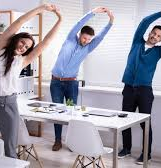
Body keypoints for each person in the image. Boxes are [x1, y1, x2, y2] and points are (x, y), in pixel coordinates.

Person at [0, 4, 62, 158]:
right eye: (22, 43)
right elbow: (17, 24)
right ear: (16, 40)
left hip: (8, 105)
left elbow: (46, 42)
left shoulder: (22, 61)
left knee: (10, 149)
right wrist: (40, 8)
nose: (24, 47)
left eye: (27, 47)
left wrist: (60, 19)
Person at [118, 5, 161, 165]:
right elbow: (144, 22)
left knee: (145, 124)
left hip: (145, 91)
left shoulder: (159, 51)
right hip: (128, 88)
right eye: (154, 33)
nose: (155, 37)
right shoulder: (136, 42)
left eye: (159, 36)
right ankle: (126, 148)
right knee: (125, 120)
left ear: (160, 39)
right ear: (150, 33)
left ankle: (146, 154)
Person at [50, 6, 114, 151]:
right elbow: (79, 23)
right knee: (57, 112)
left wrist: (110, 22)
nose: (86, 41)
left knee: (71, 112)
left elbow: (102, 36)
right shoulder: (70, 38)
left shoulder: (88, 47)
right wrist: (93, 13)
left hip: (71, 85)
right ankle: (57, 140)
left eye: (89, 39)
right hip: (56, 84)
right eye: (85, 38)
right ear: (80, 35)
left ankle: (72, 142)